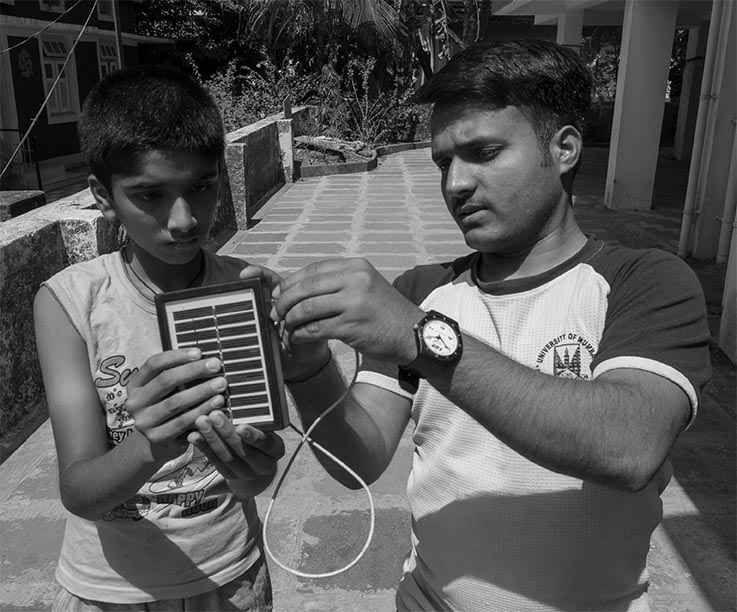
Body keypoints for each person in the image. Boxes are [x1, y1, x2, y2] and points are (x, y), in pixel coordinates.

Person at [242, 39, 712, 611]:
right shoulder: (423, 289)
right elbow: (359, 459)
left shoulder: (644, 281)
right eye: (444, 161)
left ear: (564, 148)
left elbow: (628, 447)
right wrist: (308, 370)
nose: (455, 184)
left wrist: (421, 338)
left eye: (483, 153)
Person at [34, 65, 284, 611]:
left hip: (230, 577)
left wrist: (253, 470)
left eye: (200, 187)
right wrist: (149, 444)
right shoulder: (70, 302)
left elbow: (249, 478)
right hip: (108, 591)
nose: (183, 220)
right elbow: (80, 491)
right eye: (149, 194)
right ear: (103, 196)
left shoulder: (247, 291)